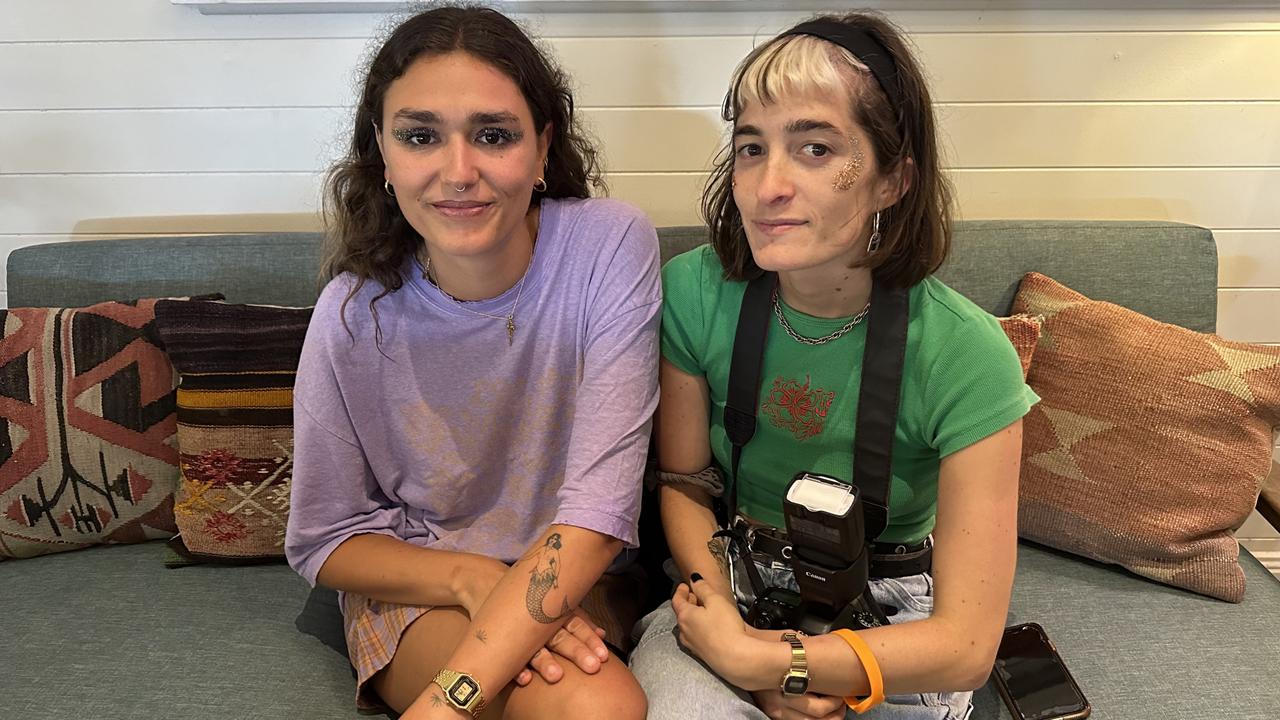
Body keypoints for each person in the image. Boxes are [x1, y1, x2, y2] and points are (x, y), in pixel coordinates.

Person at [630, 12, 1038, 720]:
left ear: (892, 179)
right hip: (732, 578)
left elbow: (967, 646)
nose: (767, 186)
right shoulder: (694, 292)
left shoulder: (968, 355)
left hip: (891, 607)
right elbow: (685, 486)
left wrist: (778, 664)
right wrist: (730, 635)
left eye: (815, 149)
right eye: (751, 149)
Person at [283, 6, 658, 720]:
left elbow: (599, 512)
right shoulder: (351, 313)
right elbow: (323, 539)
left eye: (493, 135)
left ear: (543, 147)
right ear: (383, 156)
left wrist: (449, 702)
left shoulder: (609, 248)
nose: (459, 173)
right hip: (419, 584)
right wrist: (467, 576)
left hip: (580, 572)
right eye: (421, 136)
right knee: (597, 706)